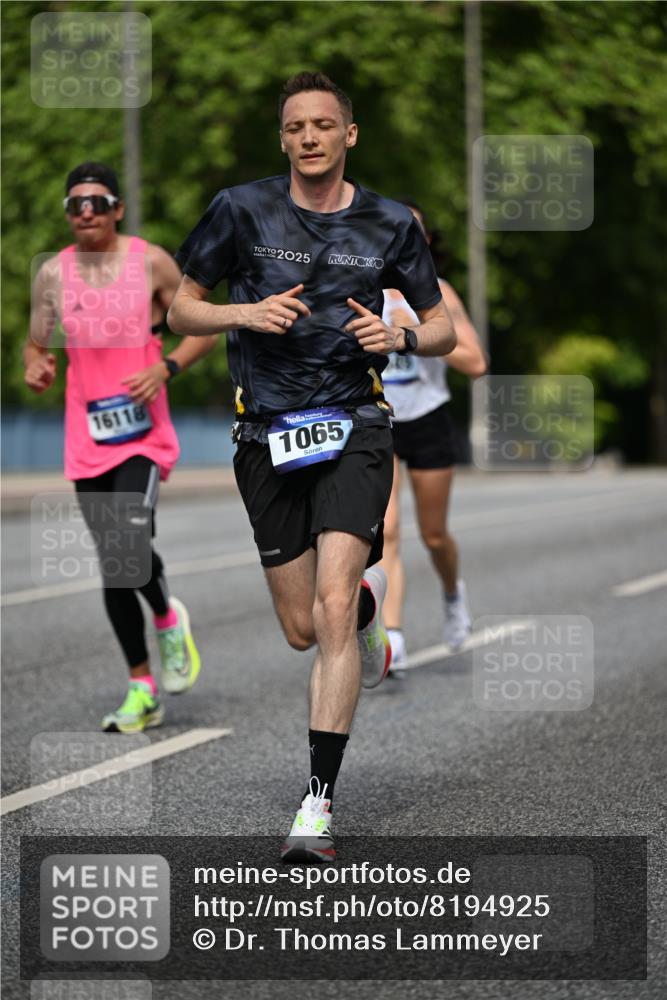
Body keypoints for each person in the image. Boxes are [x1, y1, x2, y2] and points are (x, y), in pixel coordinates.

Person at [168, 72, 456, 861]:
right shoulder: (240, 209)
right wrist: (242, 312)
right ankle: (364, 610)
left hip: (356, 425)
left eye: (324, 125)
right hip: (264, 434)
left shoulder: (390, 223)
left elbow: (442, 332)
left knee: (329, 610)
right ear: (283, 136)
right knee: (303, 628)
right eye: (296, 126)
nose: (309, 137)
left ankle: (316, 806)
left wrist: (397, 339)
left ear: (348, 135)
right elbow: (179, 307)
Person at [24, 162, 219, 733]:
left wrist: (166, 367)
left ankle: (163, 617)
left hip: (141, 436)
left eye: (96, 201)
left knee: (126, 543)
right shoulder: (53, 274)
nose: (85, 211)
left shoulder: (150, 262)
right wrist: (38, 367)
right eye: (75, 204)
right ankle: (142, 685)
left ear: (117, 209)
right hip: (86, 439)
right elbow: (36, 345)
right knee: (114, 563)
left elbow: (202, 326)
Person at [380, 202, 487, 671]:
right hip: (379, 420)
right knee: (385, 531)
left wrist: (418, 332)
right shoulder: (361, 290)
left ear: (423, 242)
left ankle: (451, 593)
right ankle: (394, 636)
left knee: (435, 534)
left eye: (411, 232)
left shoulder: (438, 294)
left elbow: (476, 363)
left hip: (427, 419)